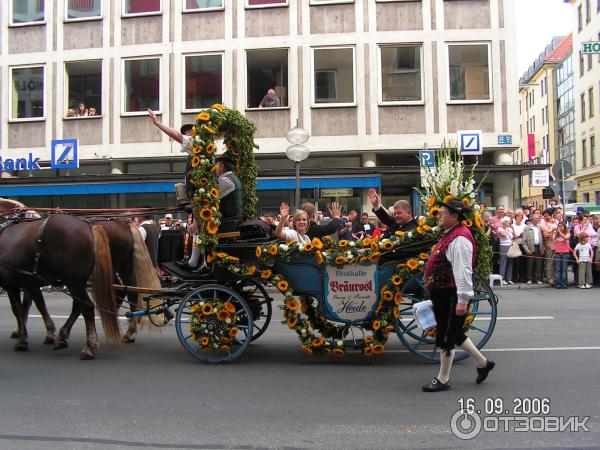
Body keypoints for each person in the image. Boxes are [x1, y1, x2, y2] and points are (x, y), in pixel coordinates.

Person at [421, 199, 494, 392]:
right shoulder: (450, 234)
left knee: (446, 334)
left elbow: (463, 272)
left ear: (454, 216)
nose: (439, 215)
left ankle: (443, 378)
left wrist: (462, 300)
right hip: (443, 292)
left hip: (450, 294)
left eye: (443, 213)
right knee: (455, 332)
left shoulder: (460, 239)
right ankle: (483, 363)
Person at [522, 211, 545, 285]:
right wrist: (526, 249)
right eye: (536, 218)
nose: (538, 219)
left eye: (538, 218)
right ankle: (530, 279)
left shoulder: (539, 227)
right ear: (532, 219)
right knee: (530, 264)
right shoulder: (527, 228)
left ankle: (538, 279)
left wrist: (543, 248)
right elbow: (524, 241)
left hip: (539, 247)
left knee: (539, 264)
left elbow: (543, 239)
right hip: (530, 247)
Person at [541, 208, 558, 285]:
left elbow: (561, 230)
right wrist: (553, 230)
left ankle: (556, 277)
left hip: (557, 243)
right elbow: (545, 235)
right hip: (549, 243)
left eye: (546, 216)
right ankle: (550, 278)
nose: (545, 217)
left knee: (556, 261)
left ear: (551, 215)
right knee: (549, 262)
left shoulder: (556, 221)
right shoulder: (544, 223)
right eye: (544, 216)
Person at [554, 222, 571, 289]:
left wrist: (559, 232)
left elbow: (566, 238)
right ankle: (558, 283)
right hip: (557, 252)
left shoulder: (568, 233)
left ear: (564, 227)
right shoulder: (556, 234)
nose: (560, 228)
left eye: (561, 226)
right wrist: (555, 232)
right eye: (559, 226)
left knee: (564, 269)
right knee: (558, 269)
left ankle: (564, 283)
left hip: (565, 253)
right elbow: (553, 240)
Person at [497, 216, 514, 285]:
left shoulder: (510, 228)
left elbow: (514, 236)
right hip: (503, 246)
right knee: (503, 262)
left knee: (510, 262)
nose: (509, 223)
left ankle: (509, 278)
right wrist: (507, 229)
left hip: (510, 246)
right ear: (503, 222)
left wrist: (509, 228)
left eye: (509, 221)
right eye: (507, 222)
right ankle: (502, 278)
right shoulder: (500, 228)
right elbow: (504, 234)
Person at [511, 209, 526, 283]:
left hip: (523, 244)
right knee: (515, 262)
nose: (519, 219)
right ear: (515, 218)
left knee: (522, 261)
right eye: (518, 217)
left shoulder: (524, 225)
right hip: (516, 244)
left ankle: (522, 277)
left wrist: (522, 235)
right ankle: (515, 277)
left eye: (520, 218)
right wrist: (519, 235)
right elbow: (513, 236)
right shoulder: (512, 225)